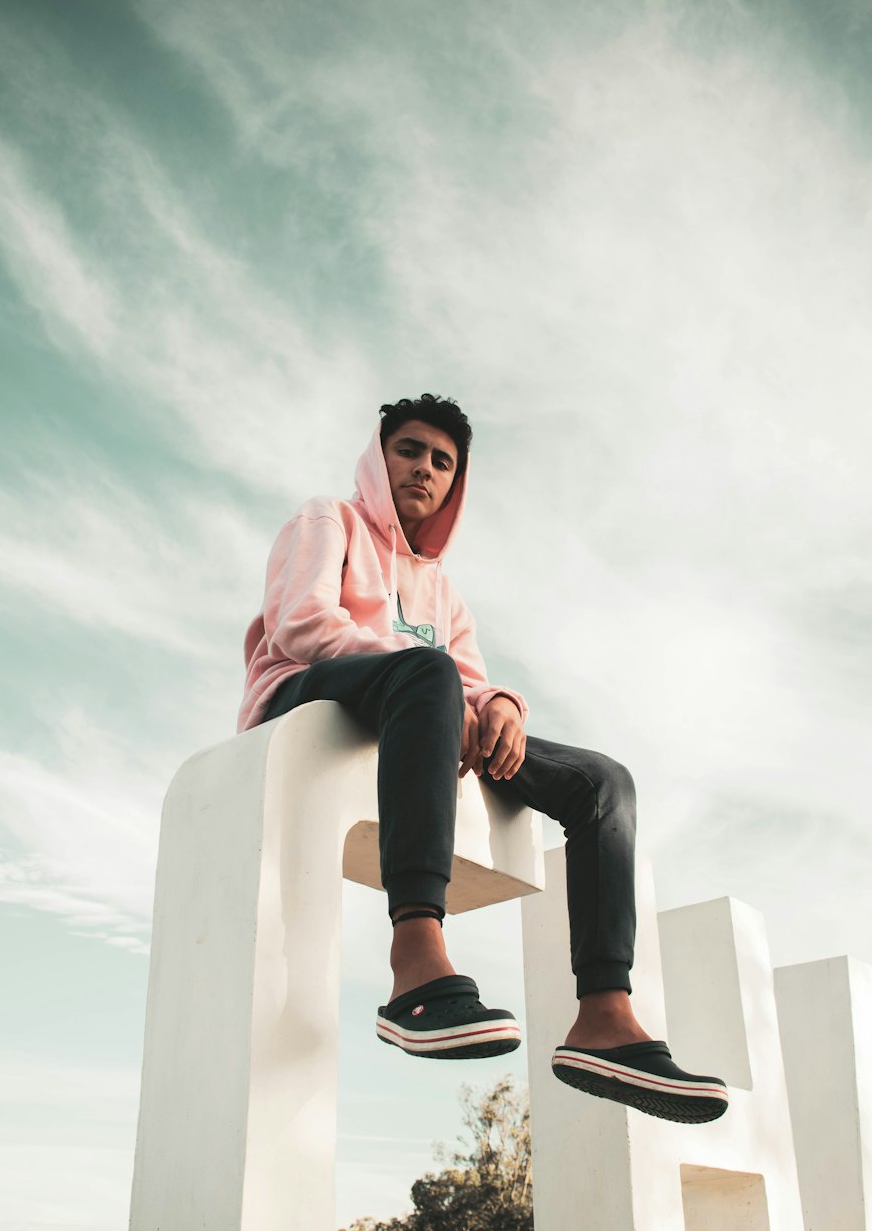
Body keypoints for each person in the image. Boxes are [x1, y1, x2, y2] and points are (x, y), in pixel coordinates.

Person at [238, 394, 727, 1124]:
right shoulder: (328, 519)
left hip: (419, 709)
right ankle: (415, 961)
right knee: (427, 671)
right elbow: (303, 625)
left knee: (602, 782)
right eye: (409, 450)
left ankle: (604, 1014)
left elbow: (469, 676)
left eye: (442, 461)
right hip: (305, 701)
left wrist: (498, 706)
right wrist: (436, 683)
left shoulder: (442, 591)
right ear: (379, 457)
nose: (424, 469)